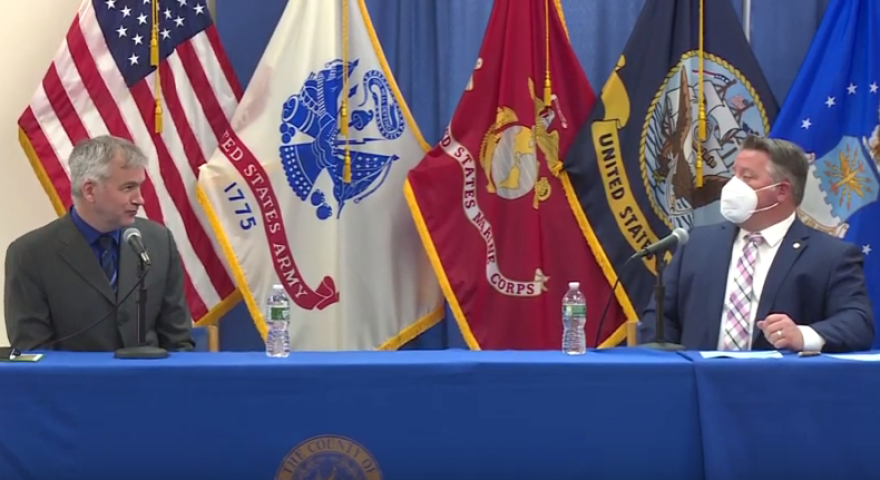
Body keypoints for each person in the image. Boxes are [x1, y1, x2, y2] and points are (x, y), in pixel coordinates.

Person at [639, 135, 873, 353]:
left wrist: (803, 336)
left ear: (781, 191)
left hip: (781, 389)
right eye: (734, 174)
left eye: (747, 177)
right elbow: (658, 320)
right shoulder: (696, 245)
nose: (732, 186)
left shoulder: (830, 256)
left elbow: (858, 323)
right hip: (699, 385)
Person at [4, 135, 194, 352]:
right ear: (90, 190)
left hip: (149, 383)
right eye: (128, 187)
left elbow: (178, 341)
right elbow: (34, 352)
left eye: (139, 186)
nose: (140, 199)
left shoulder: (159, 241)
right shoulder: (30, 255)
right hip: (73, 384)